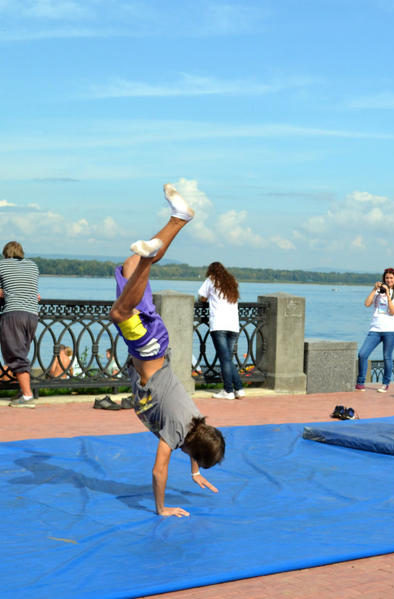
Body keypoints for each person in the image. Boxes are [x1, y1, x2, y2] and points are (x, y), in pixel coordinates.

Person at [108, 183, 225, 517]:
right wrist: (162, 509)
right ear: (190, 444)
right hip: (148, 348)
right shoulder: (178, 432)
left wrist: (194, 471)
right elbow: (159, 471)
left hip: (156, 342)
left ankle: (179, 219)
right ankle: (149, 255)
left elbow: (196, 440)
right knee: (119, 313)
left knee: (127, 269)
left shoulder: (193, 424)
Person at [0, 241, 40, 408]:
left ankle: (28, 396)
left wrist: (4, 293)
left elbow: (0, 291)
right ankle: (24, 392)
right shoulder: (33, 266)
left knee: (15, 354)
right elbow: (33, 290)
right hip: (32, 315)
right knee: (22, 351)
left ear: (6, 253)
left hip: (13, 313)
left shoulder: (1, 265)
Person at [198, 262, 245, 400]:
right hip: (233, 325)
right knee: (227, 359)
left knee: (225, 359)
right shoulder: (232, 282)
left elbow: (201, 296)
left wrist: (206, 300)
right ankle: (239, 389)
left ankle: (228, 391)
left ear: (211, 271)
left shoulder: (211, 280)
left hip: (219, 324)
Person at [355, 267, 394, 393]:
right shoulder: (377, 292)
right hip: (375, 329)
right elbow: (366, 304)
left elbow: (393, 311)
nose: (388, 280)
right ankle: (360, 383)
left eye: (391, 278)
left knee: (387, 357)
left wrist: (388, 294)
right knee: (362, 354)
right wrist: (374, 289)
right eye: (386, 278)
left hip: (391, 330)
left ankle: (385, 383)